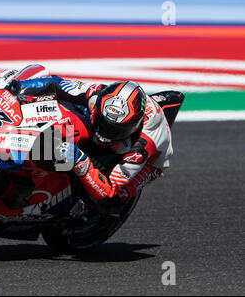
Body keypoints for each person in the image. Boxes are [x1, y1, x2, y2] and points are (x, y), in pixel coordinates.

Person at [16, 74, 173, 205]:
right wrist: (19, 88)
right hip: (118, 133)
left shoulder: (142, 145)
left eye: (115, 130)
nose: (105, 133)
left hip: (152, 161)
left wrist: (80, 160)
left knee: (115, 200)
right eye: (102, 123)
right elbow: (56, 83)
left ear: (134, 126)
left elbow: (109, 191)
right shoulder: (96, 94)